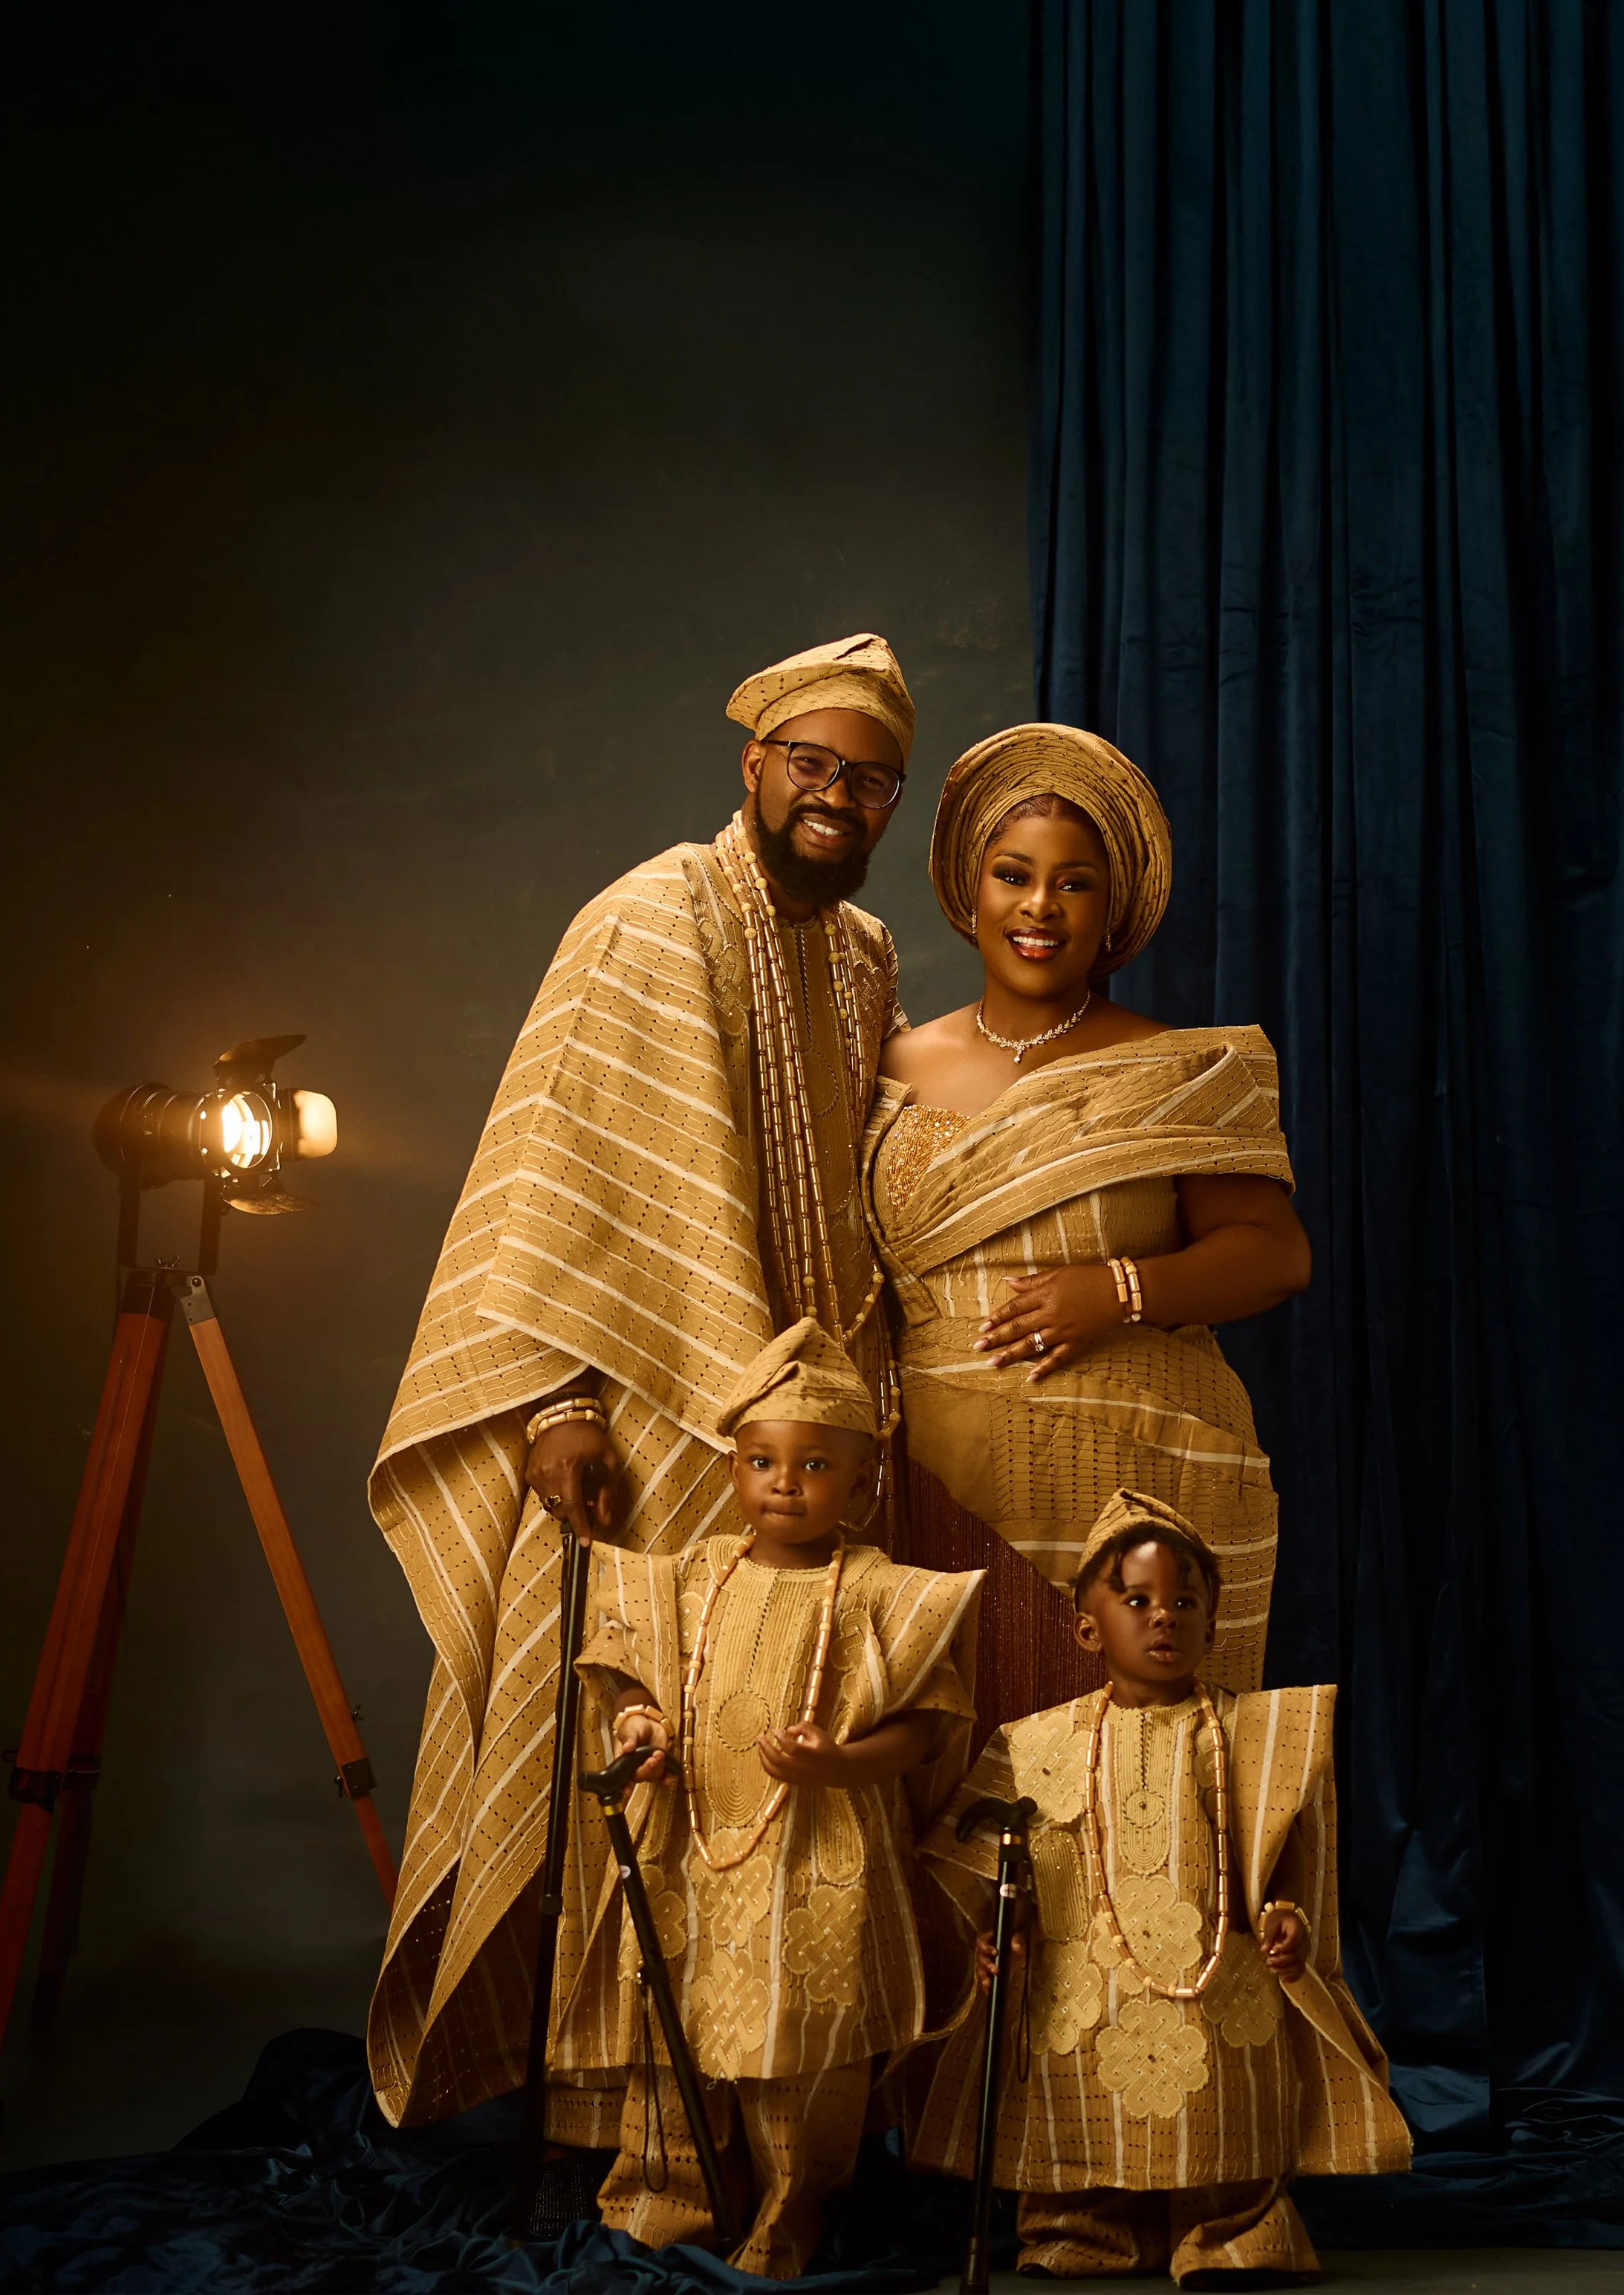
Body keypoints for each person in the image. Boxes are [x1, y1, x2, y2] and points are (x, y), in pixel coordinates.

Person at [367, 635, 915, 2131]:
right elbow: (554, 1172)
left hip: (812, 1438)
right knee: (645, 1756)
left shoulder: (861, 961)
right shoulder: (650, 917)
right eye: (810, 765)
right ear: (751, 766)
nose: (835, 797)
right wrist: (552, 1403)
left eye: (866, 780)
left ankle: (776, 2105)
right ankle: (626, 2120)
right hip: (648, 1423)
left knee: (782, 1762)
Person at [866, 722, 1311, 1715]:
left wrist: (1115, 1289)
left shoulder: (1175, 1070)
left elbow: (1276, 1255)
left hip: (1122, 1490)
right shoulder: (889, 1071)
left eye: (1074, 883)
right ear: (969, 892)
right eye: (1013, 874)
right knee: (948, 1776)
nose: (1039, 907)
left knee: (1126, 1787)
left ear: (1111, 910)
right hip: (932, 1482)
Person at [552, 1318, 983, 2276]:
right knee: (674, 2019)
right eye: (760, 1461)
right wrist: (639, 1725)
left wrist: (839, 1763)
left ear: (861, 1483)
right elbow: (633, 1674)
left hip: (815, 1864)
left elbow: (927, 1725)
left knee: (803, 2043)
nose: (783, 1483)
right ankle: (667, 2198)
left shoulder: (876, 1590)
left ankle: (791, 2217)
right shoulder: (697, 1576)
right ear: (735, 1471)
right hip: (691, 1852)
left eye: (815, 1464)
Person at [912, 1488, 1409, 2281]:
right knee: (1074, 2087)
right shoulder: (1034, 1742)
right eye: (1136, 1600)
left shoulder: (1253, 1736)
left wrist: (1285, 1918)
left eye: (1184, 1602)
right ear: (1088, 1628)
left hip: (1213, 1982)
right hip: (1082, 1986)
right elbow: (981, 1867)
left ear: (1213, 1625)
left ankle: (1228, 2231)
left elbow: (1286, 1871)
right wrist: (998, 1935)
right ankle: (1085, 2226)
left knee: (1221, 2106)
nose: (1163, 1617)